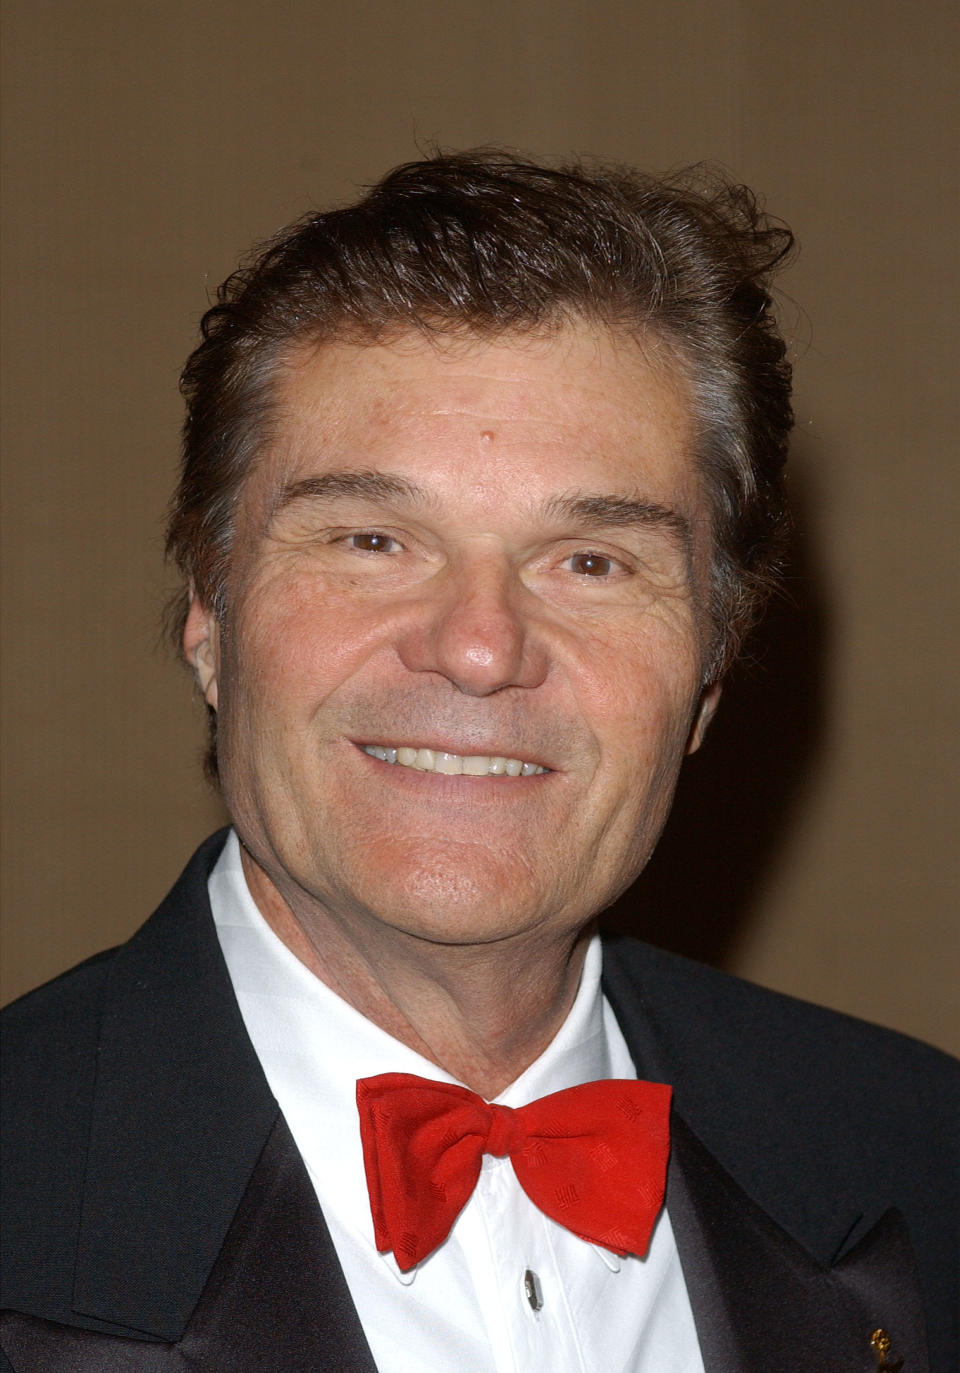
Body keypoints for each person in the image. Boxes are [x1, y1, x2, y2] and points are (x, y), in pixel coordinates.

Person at [1, 152, 956, 1373]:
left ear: (709, 676)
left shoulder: (918, 1155)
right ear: (209, 615)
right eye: (373, 538)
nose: (480, 646)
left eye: (591, 560)